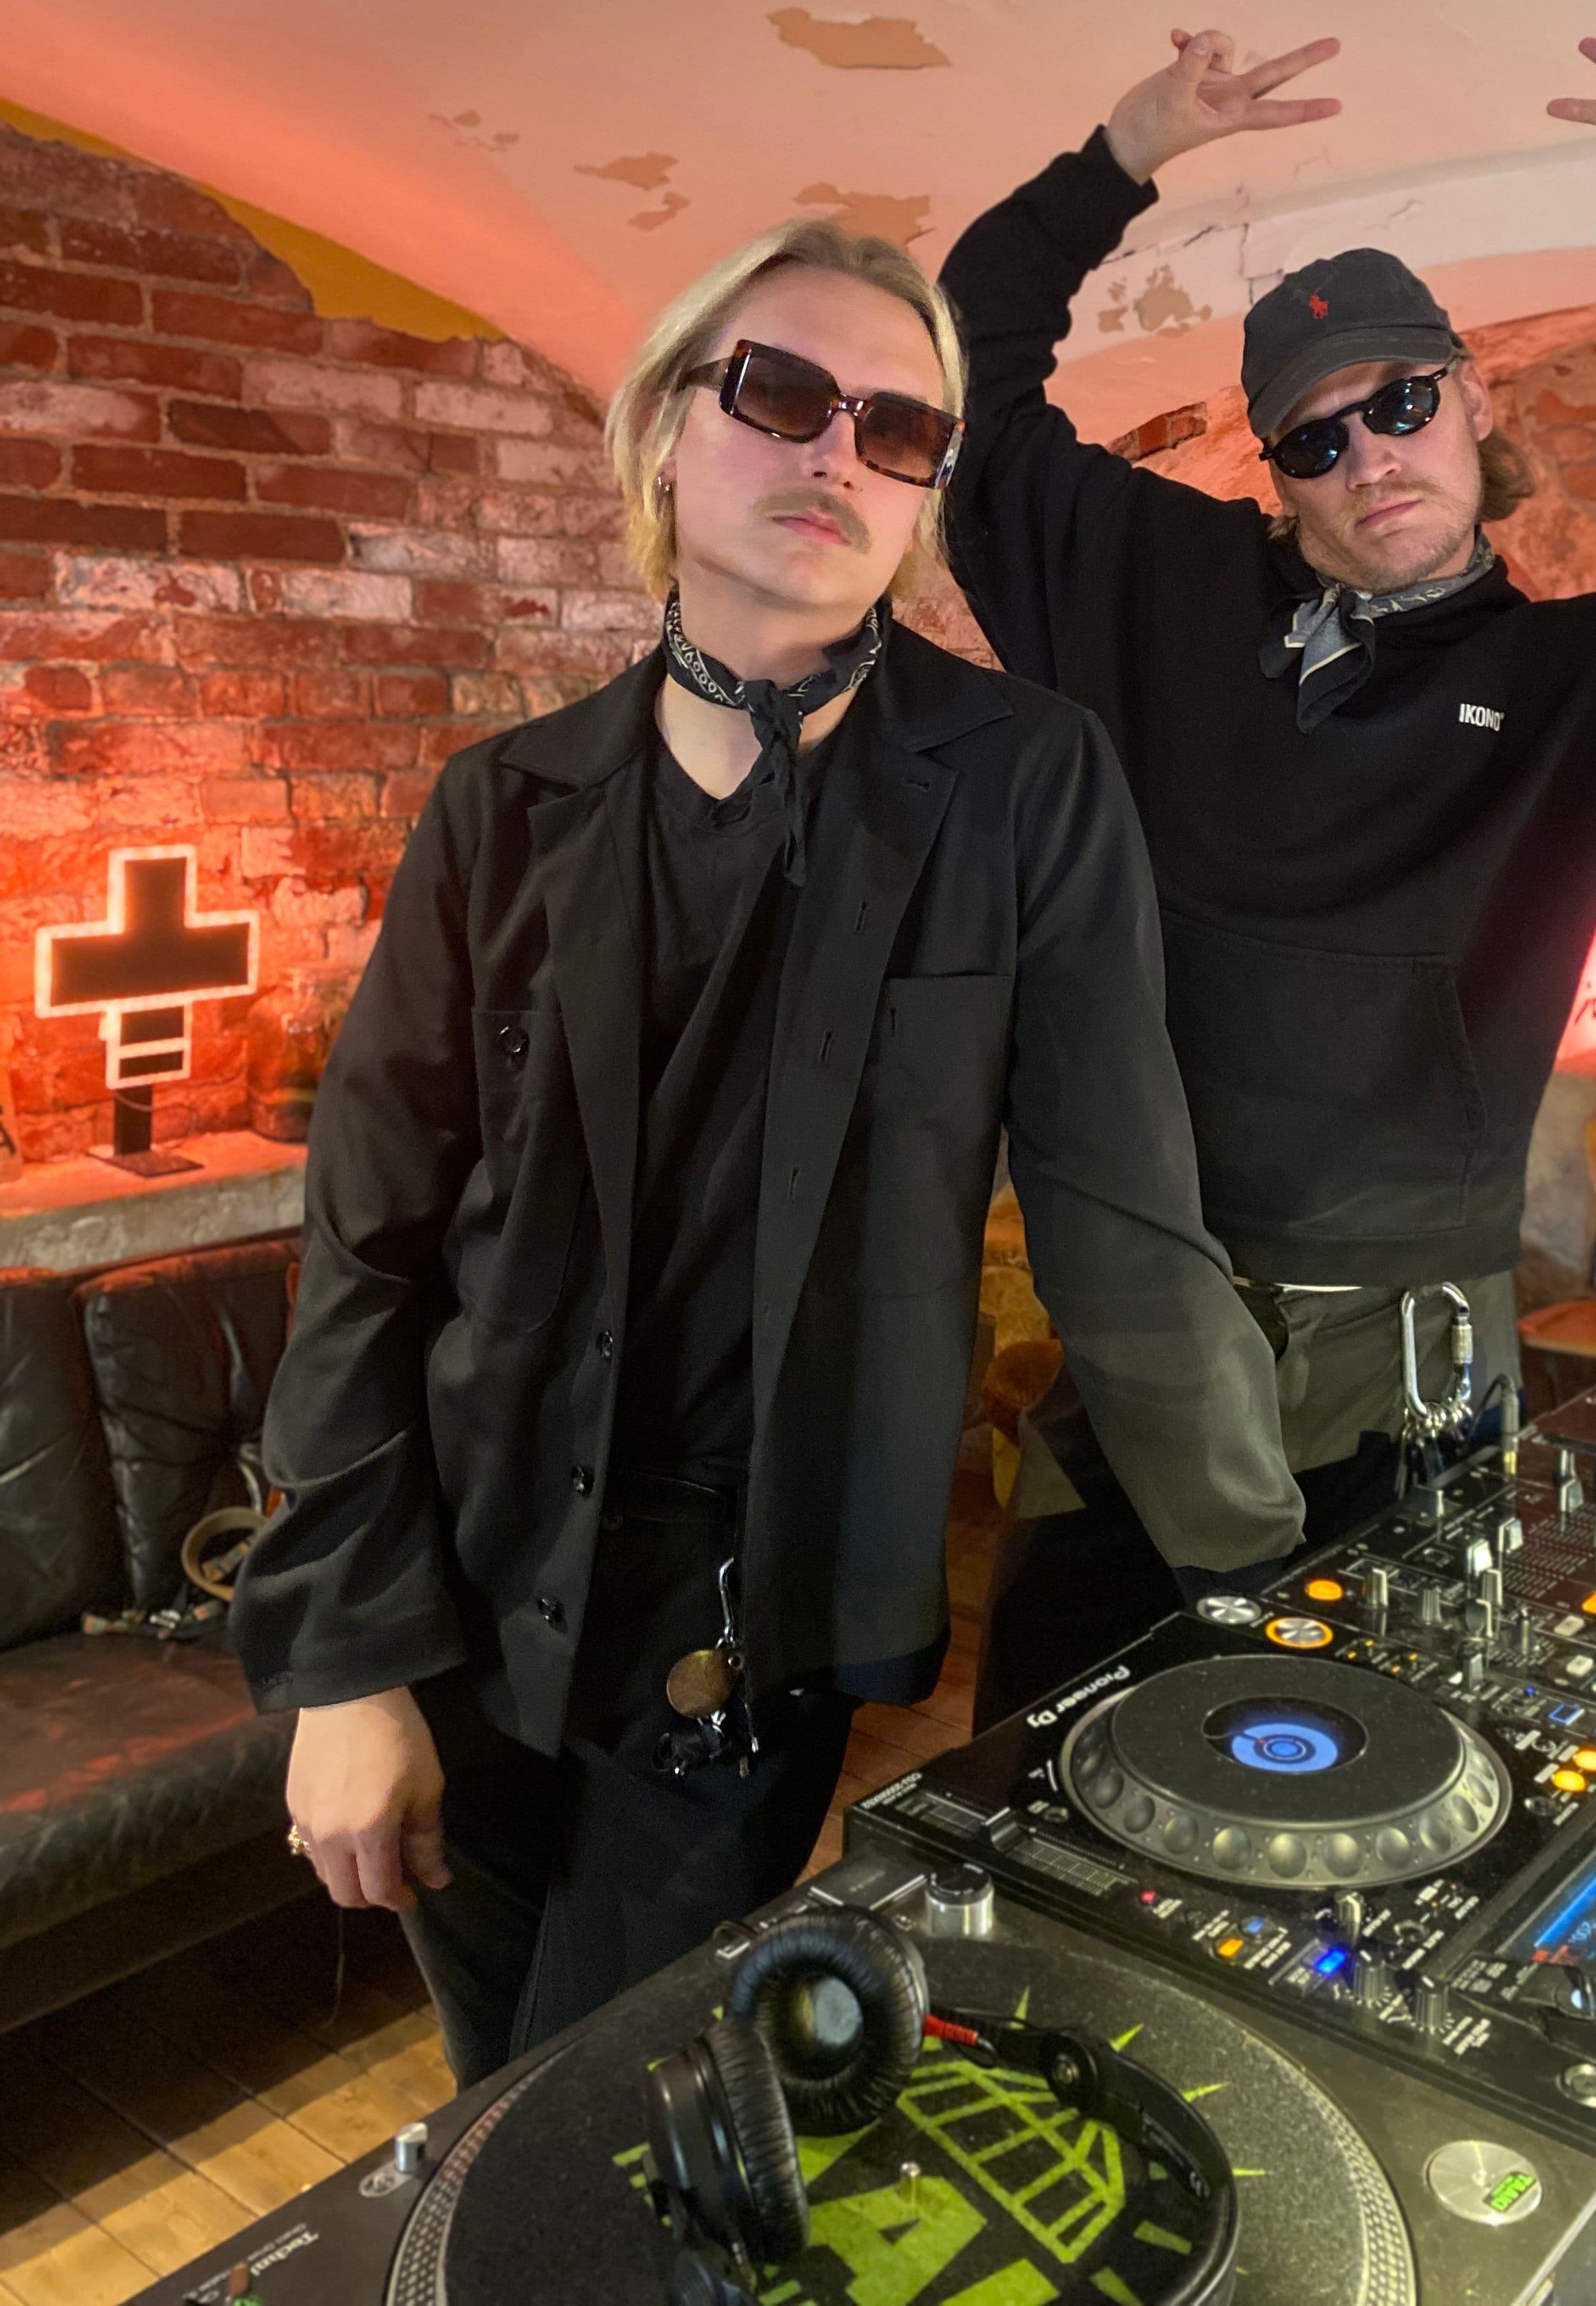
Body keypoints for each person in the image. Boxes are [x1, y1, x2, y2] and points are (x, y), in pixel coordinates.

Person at [233, 214, 1303, 2081]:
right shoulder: (505, 807)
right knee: (504, 2089)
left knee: (619, 2106)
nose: (838, 453)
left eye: (900, 426)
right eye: (785, 394)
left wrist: (1272, 1578)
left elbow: (1124, 1222)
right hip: (469, 1584)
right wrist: (344, 1656)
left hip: (759, 1604)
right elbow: (373, 1252)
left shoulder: (1024, 781)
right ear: (668, 430)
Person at [942, 18, 1596, 1723]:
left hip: (1397, 1379)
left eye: (1402, 405)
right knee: (1026, 1785)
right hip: (1136, 1341)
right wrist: (1117, 158)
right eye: (1316, 440)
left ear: (1474, 399)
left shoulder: (1594, 690)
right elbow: (966, 376)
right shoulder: (1149, 589)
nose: (1370, 459)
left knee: (1377, 1783)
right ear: (1276, 473)